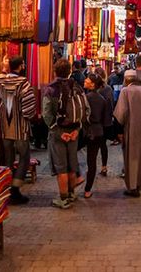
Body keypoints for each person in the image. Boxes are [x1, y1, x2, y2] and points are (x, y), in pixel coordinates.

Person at [42, 59, 88, 209]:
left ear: (55, 71)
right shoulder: (77, 87)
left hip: (58, 133)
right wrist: (77, 129)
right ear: (70, 71)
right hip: (74, 132)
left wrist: (57, 131)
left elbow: (46, 114)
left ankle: (63, 198)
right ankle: (71, 193)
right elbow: (86, 110)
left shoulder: (51, 89)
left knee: (61, 166)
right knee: (72, 164)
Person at [0, 56, 37, 205]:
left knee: (8, 158)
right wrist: (29, 116)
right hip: (20, 127)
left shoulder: (0, 82)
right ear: (20, 66)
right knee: (24, 158)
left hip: (5, 125)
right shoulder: (23, 83)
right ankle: (15, 189)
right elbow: (29, 106)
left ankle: (6, 188)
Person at [114, 70, 141, 197]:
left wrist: (119, 131)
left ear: (126, 80)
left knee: (131, 158)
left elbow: (120, 113)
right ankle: (140, 183)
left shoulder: (125, 91)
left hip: (131, 129)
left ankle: (132, 187)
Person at [82, 73, 112, 197]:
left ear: (93, 84)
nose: (85, 80)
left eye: (88, 79)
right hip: (98, 131)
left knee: (82, 157)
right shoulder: (103, 100)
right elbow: (106, 120)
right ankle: (87, 190)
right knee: (92, 161)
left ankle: (75, 182)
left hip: (86, 131)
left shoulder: (85, 98)